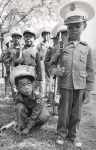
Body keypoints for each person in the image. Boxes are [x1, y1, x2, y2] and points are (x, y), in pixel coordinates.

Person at [50, 1, 95, 149]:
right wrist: (55, 70)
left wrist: (89, 90)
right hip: (65, 85)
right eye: (70, 27)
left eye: (77, 26)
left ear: (84, 26)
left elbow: (90, 70)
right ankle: (61, 134)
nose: (74, 29)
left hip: (80, 86)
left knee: (77, 114)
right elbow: (50, 64)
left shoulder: (87, 48)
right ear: (67, 28)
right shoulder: (61, 46)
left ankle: (73, 136)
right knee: (64, 112)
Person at [13, 65, 49, 135]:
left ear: (33, 84)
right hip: (27, 112)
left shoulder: (37, 96)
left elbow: (36, 112)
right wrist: (18, 122)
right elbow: (17, 111)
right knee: (19, 107)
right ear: (18, 88)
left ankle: (33, 125)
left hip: (36, 112)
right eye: (23, 85)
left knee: (45, 115)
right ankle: (22, 125)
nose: (26, 87)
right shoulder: (18, 96)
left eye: (29, 84)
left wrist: (28, 128)